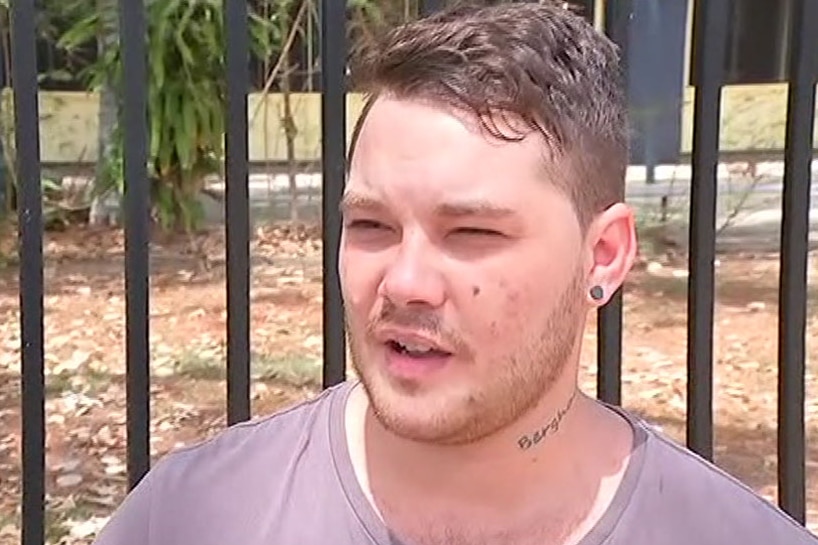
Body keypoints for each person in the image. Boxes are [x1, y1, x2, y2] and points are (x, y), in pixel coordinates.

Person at [92, 2, 818, 544]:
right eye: (371, 225)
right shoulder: (193, 516)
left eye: (471, 233)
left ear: (604, 256)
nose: (405, 282)